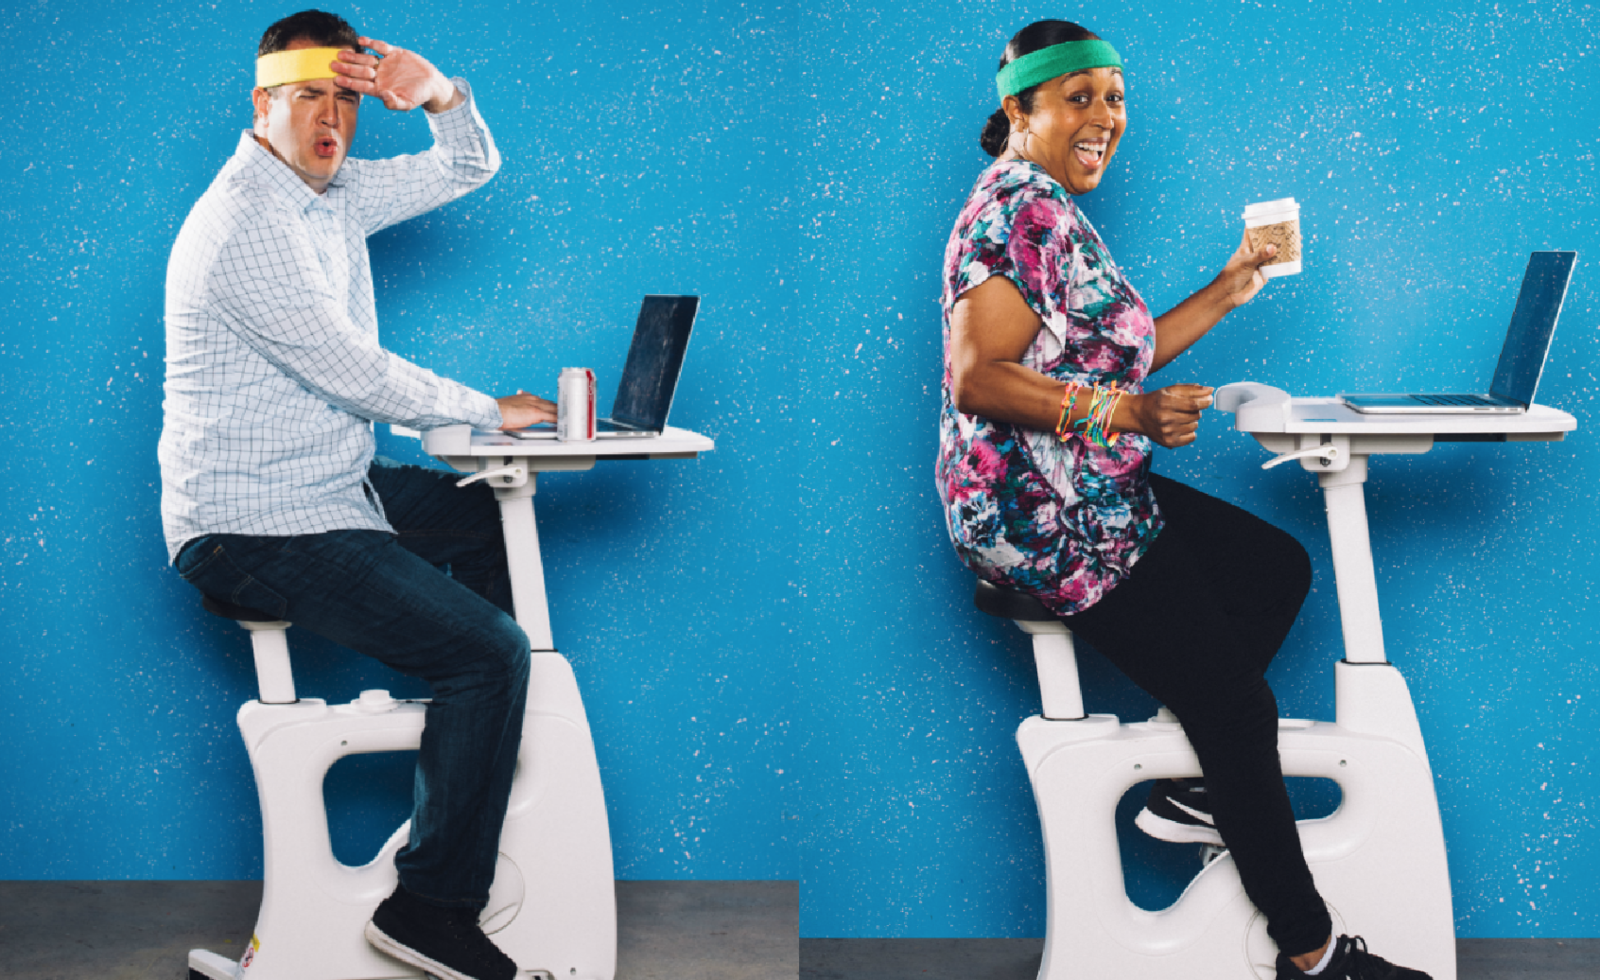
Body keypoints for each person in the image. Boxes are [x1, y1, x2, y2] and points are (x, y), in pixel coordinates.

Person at [936, 19, 1431, 980]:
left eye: (1114, 97)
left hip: (1085, 486)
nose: (1105, 118)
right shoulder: (1013, 213)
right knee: (1240, 706)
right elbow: (978, 378)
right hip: (1035, 514)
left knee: (1274, 567)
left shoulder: (1051, 209)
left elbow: (1121, 350)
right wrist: (1124, 410)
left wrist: (1231, 285)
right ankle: (1313, 952)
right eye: (1079, 96)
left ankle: (1199, 781)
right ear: (1019, 109)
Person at [160, 10, 549, 980]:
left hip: (324, 482)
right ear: (263, 105)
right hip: (249, 520)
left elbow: (467, 168)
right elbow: (352, 371)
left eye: (345, 96)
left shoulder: (328, 192)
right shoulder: (244, 221)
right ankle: (431, 905)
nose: (331, 117)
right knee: (490, 653)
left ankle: (462, 790)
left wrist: (441, 98)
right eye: (308, 96)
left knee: (491, 516)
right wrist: (485, 411)